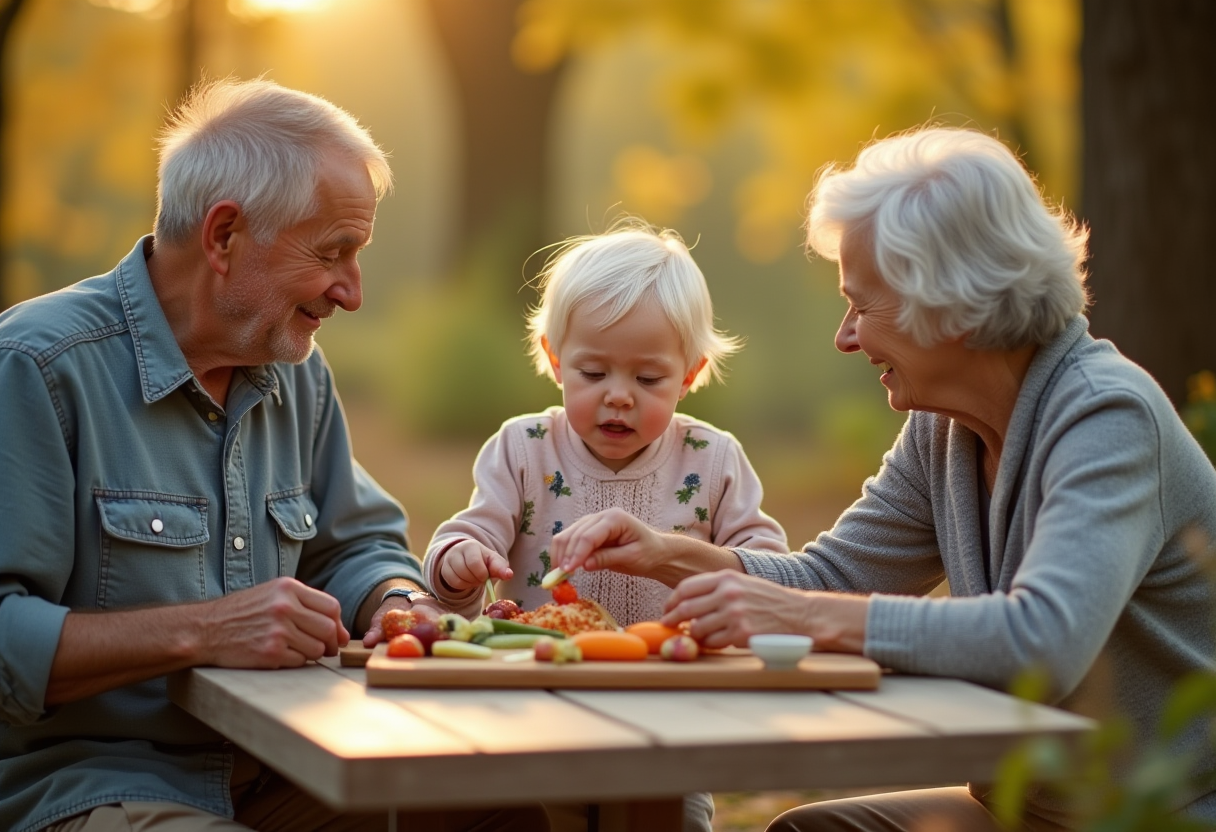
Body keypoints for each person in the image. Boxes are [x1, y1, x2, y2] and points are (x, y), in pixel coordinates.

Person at [547, 127, 1216, 831]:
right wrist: (667, 553)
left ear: (951, 302)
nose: (845, 336)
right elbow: (836, 577)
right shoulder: (945, 426)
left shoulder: (1108, 415)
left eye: (862, 305)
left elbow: (1042, 644)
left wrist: (801, 620)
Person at [0, 79, 547, 832]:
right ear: (224, 236)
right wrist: (206, 628)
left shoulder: (296, 372)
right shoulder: (36, 368)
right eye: (334, 253)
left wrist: (394, 605)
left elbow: (354, 543)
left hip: (292, 764)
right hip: (91, 785)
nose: (352, 293)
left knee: (520, 809)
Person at [423, 219, 789, 832]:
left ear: (690, 374)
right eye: (594, 374)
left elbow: (767, 563)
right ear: (556, 360)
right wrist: (461, 562)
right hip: (541, 714)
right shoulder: (524, 448)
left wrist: (736, 596)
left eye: (648, 379)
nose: (619, 396)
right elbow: (472, 535)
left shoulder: (714, 458)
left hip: (671, 715)